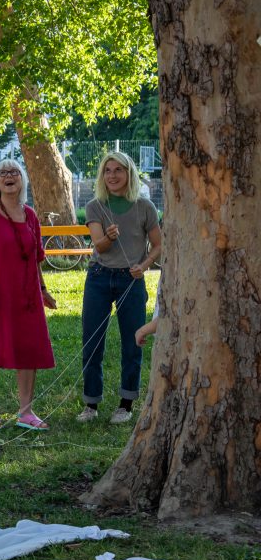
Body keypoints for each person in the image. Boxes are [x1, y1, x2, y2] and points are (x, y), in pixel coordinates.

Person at [0, 160, 56, 432]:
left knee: (28, 349)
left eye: (14, 172)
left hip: (26, 297)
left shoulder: (30, 215)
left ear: (22, 180)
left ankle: (26, 413)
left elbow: (36, 257)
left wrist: (42, 289)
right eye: (2, 173)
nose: (8, 177)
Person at [78, 151, 162, 424]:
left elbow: (158, 245)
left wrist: (146, 264)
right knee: (92, 341)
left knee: (133, 341)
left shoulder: (145, 206)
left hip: (131, 280)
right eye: (107, 170)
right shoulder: (95, 206)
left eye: (119, 170)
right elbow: (99, 247)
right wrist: (108, 237)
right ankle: (91, 404)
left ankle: (126, 404)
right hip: (99, 277)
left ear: (129, 173)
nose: (112, 175)